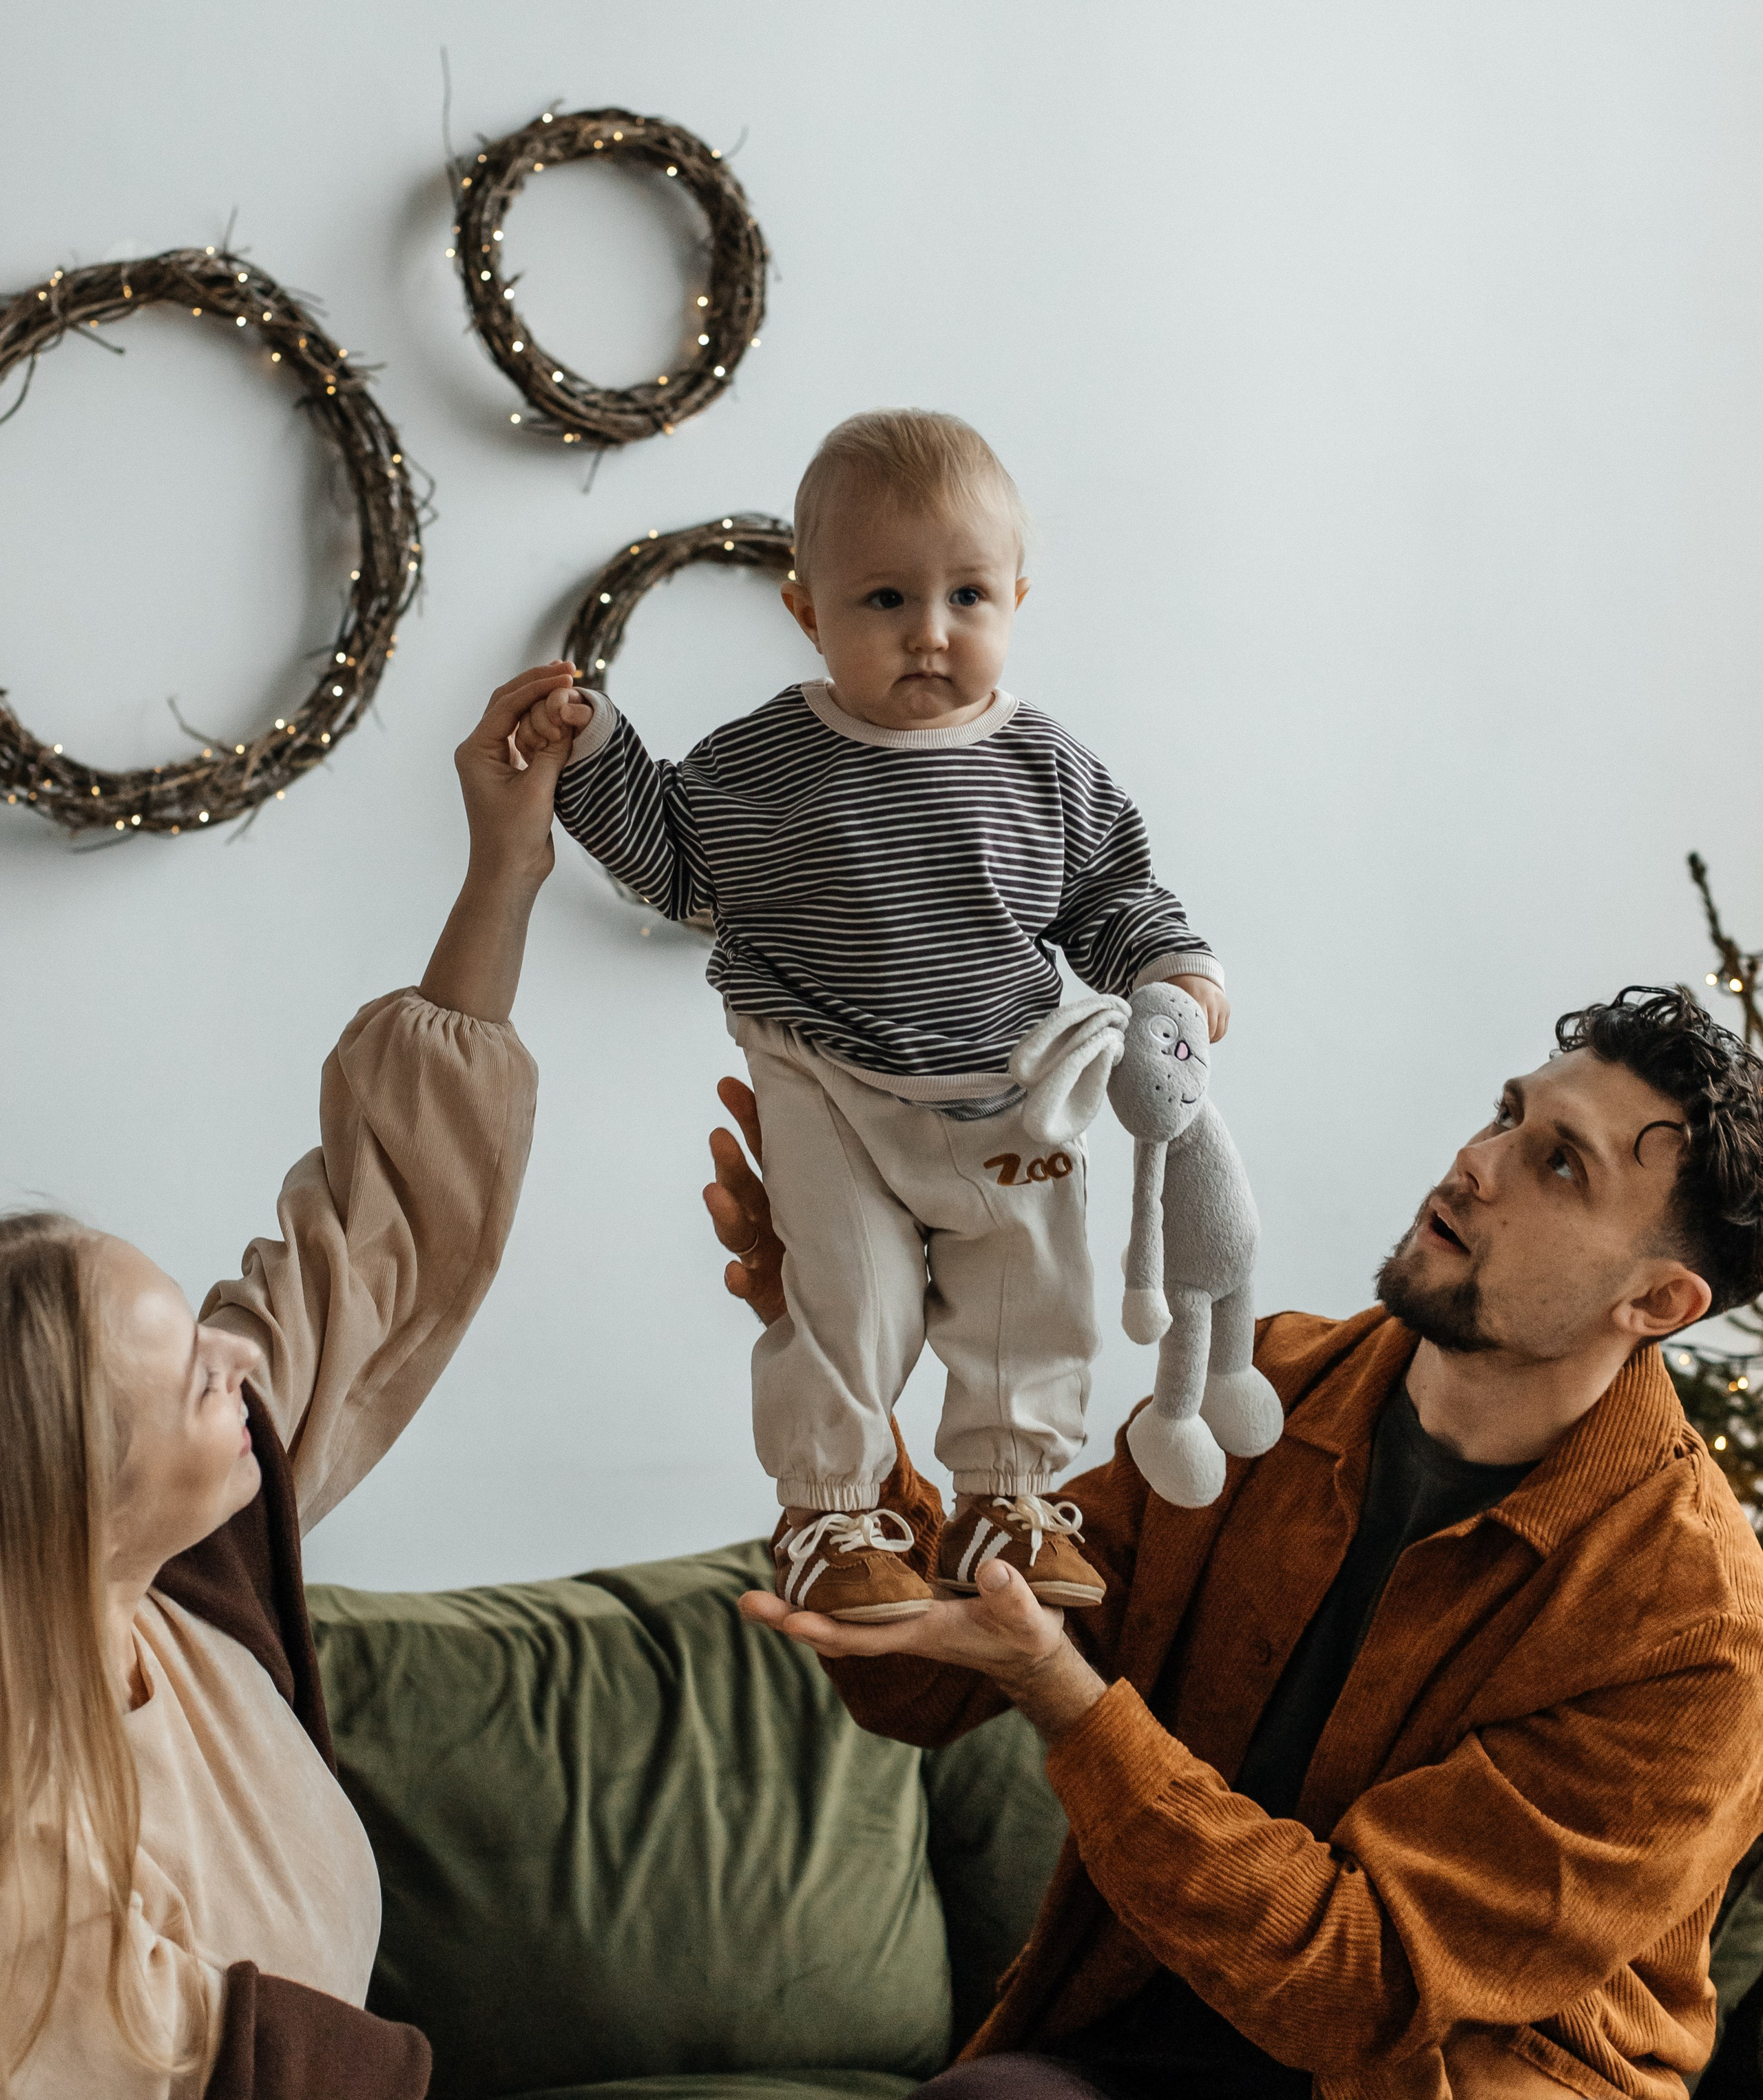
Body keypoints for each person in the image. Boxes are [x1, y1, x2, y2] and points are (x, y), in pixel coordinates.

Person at [707, 986, 1763, 2100]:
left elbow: (1363, 1987)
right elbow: (925, 1692)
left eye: (1560, 1165)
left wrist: (1065, 1694)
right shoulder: (1262, 1391)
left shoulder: (1698, 1626)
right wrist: (830, 1339)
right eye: (1508, 1115)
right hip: (1161, 2027)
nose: (1476, 1163)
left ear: (1657, 1302)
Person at [512, 406, 1231, 1625]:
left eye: (967, 598)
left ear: (1015, 597)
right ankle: (832, 1513)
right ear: (808, 612)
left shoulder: (1047, 767)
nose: (930, 634)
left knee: (1034, 1285)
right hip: (829, 1081)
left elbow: (1111, 891)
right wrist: (597, 752)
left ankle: (1009, 1493)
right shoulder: (775, 758)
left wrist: (1173, 971)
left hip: (1010, 1081)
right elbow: (683, 861)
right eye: (885, 601)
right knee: (847, 1299)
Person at [0, 662, 582, 2100]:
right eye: (193, 1375)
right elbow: (141, 2057)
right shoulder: (25, 1804)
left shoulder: (191, 1567)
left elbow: (375, 1213)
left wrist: (504, 866)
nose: (237, 1355)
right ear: (82, 1488)